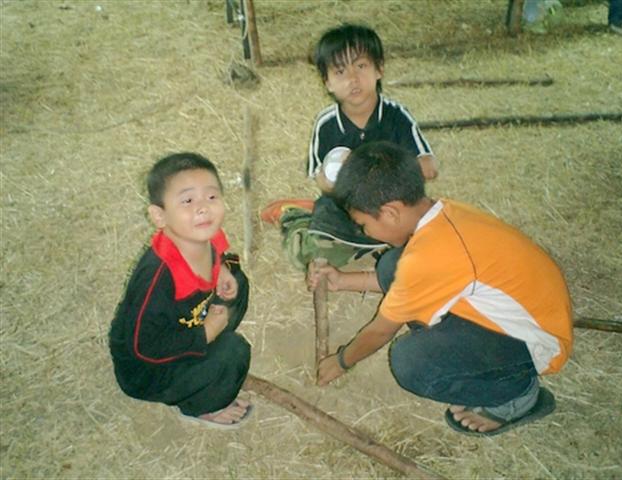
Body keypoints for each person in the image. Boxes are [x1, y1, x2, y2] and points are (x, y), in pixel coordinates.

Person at [307, 141, 573, 436]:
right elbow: (409, 282)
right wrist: (343, 281)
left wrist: (342, 361)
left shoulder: (428, 257)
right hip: (525, 310)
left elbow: (380, 331)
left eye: (363, 224)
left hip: (536, 342)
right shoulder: (441, 214)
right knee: (392, 264)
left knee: (412, 363)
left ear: (391, 213)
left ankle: (516, 394)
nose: (364, 232)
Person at [262, 24, 437, 270]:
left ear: (379, 69)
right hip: (347, 208)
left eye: (361, 66)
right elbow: (323, 181)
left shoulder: (397, 116)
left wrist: (386, 171)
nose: (353, 79)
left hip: (391, 209)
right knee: (312, 250)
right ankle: (297, 218)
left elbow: (429, 167)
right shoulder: (326, 124)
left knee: (431, 241)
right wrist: (338, 176)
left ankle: (377, 244)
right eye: (340, 71)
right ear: (328, 82)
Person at [109, 152, 252, 429]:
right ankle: (202, 406)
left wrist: (222, 268)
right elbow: (144, 347)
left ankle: (209, 352)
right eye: (188, 201)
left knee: (238, 283)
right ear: (159, 216)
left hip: (189, 321)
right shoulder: (157, 277)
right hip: (149, 368)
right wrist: (205, 334)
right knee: (234, 352)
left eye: (211, 197)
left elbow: (219, 251)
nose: (203, 208)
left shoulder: (203, 234)